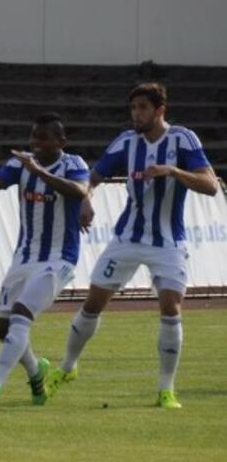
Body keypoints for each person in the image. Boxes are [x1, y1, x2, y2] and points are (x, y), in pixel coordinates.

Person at [45, 83, 218, 409]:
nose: (136, 114)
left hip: (168, 242)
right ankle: (67, 368)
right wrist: (86, 200)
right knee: (93, 302)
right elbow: (92, 178)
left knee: (170, 307)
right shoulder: (126, 142)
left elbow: (210, 185)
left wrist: (172, 170)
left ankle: (166, 390)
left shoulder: (182, 139)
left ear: (159, 110)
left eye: (142, 107)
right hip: (126, 238)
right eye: (133, 108)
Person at [0, 113, 90, 406]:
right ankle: (36, 374)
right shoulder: (21, 163)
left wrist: (38, 170)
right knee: (2, 328)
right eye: (33, 138)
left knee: (21, 315)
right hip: (24, 256)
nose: (36, 144)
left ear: (61, 142)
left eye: (43, 139)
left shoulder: (73, 164)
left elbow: (79, 191)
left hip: (58, 258)